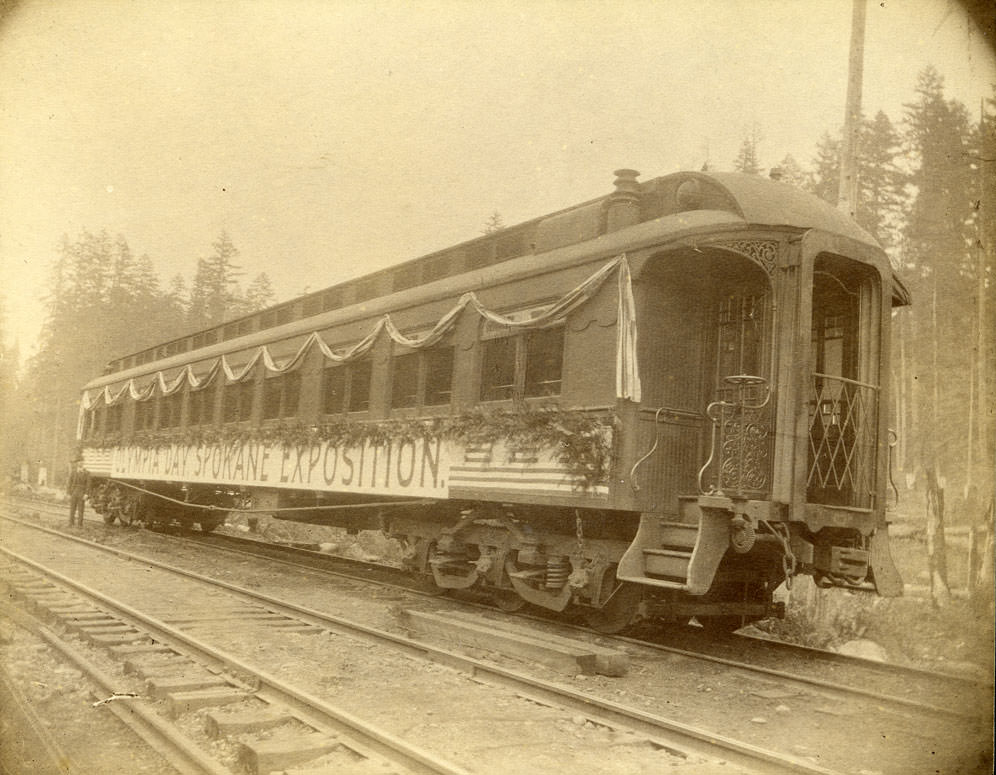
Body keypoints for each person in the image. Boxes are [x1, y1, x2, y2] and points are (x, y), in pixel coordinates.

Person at [66, 459, 90, 527]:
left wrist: (86, 494)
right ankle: (71, 523)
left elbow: (88, 484)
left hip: (82, 492)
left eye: (82, 462)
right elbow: (69, 483)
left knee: (81, 509)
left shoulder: (87, 473)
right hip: (74, 491)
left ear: (83, 463)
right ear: (77, 463)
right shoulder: (73, 472)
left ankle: (80, 524)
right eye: (79, 462)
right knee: (72, 508)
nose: (80, 463)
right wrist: (68, 493)